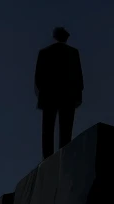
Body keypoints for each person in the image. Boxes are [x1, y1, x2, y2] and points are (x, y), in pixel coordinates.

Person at [35, 27, 83, 160]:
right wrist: (78, 96)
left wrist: (42, 94)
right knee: (66, 128)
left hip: (49, 96)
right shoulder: (73, 52)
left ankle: (47, 157)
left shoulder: (45, 52)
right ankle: (64, 154)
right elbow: (79, 77)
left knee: (48, 129)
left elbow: (38, 77)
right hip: (68, 96)